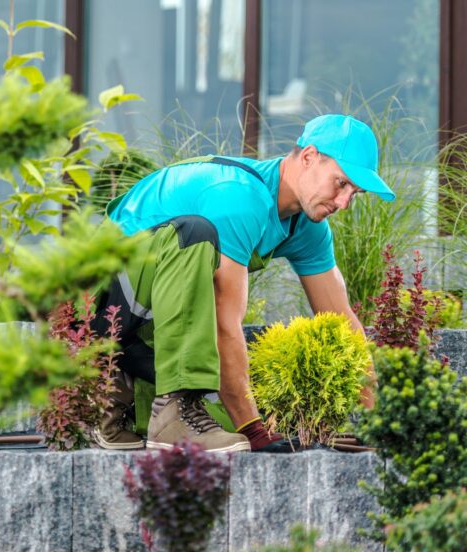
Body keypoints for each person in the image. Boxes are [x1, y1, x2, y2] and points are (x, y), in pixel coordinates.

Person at [94, 114, 394, 453]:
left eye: (355, 193)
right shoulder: (238, 196)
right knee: (194, 233)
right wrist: (254, 431)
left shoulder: (307, 226)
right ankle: (154, 405)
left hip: (151, 323)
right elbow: (225, 323)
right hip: (102, 308)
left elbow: (343, 322)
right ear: (309, 157)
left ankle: (122, 402)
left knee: (234, 426)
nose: (344, 203)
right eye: (341, 183)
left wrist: (376, 421)